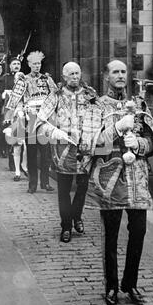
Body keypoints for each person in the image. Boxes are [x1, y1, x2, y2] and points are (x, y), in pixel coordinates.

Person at [86, 60, 153, 305]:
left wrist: (139, 145)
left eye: (123, 72)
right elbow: (91, 146)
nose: (120, 76)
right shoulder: (96, 106)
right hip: (111, 179)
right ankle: (111, 287)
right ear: (106, 75)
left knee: (138, 232)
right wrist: (117, 127)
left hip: (137, 180)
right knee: (111, 236)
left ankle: (130, 285)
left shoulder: (139, 105)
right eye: (115, 72)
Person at [36, 62, 106, 243]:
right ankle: (66, 225)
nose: (75, 77)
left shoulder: (90, 94)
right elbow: (40, 121)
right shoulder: (56, 95)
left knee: (83, 186)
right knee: (64, 190)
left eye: (77, 73)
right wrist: (55, 132)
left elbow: (102, 116)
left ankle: (77, 215)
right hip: (64, 149)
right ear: (64, 76)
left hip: (85, 148)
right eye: (71, 74)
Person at [6, 51, 57, 193]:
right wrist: (20, 112)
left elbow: (55, 96)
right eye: (34, 64)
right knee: (32, 153)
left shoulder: (47, 79)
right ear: (29, 64)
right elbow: (17, 100)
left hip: (45, 119)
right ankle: (32, 184)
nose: (37, 66)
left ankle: (45, 183)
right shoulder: (23, 80)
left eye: (39, 63)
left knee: (46, 153)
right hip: (31, 119)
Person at [2, 56, 26, 173]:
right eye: (14, 64)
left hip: (21, 110)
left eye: (18, 64)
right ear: (10, 66)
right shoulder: (6, 78)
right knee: (12, 136)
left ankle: (21, 164)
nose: (16, 66)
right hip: (9, 110)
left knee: (22, 137)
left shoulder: (24, 79)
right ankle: (12, 164)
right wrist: (4, 93)